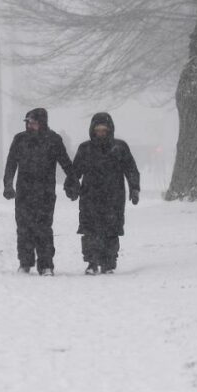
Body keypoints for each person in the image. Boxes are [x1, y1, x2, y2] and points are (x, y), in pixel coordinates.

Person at [3, 108, 74, 276]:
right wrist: (8, 184)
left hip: (45, 193)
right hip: (24, 192)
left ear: (42, 123)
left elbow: (65, 162)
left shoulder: (53, 140)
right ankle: (25, 262)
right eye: (28, 122)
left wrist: (72, 181)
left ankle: (46, 264)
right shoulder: (20, 140)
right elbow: (11, 164)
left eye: (34, 123)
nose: (30, 125)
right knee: (24, 228)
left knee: (44, 228)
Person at [68, 112, 140, 275]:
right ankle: (92, 262)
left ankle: (109, 262)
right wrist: (72, 187)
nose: (100, 133)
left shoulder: (119, 148)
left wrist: (134, 188)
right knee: (90, 230)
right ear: (92, 130)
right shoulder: (85, 148)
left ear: (109, 130)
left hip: (113, 196)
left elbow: (131, 169)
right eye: (98, 130)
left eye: (104, 130)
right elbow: (75, 171)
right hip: (90, 196)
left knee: (111, 229)